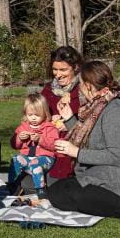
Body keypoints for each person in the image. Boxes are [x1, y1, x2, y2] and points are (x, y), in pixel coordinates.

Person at [43, 61, 120, 227]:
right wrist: (70, 119)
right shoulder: (96, 107)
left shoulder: (115, 111)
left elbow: (118, 156)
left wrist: (76, 152)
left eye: (80, 85)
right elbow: (93, 140)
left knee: (69, 193)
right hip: (107, 171)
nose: (78, 89)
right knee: (58, 191)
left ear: (88, 86)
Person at [39, 46, 85, 181]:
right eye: (55, 69)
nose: (58, 74)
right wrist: (48, 120)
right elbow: (36, 113)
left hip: (74, 146)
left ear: (75, 67)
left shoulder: (84, 89)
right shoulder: (48, 90)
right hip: (49, 144)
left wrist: (70, 123)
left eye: (63, 70)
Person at [7, 93, 61, 195]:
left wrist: (40, 139)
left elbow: (54, 145)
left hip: (45, 159)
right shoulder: (23, 127)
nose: (33, 118)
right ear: (25, 114)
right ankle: (13, 185)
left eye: (37, 115)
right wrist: (19, 138)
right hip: (27, 158)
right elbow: (14, 145)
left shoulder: (49, 128)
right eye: (30, 115)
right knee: (15, 160)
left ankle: (40, 190)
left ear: (45, 113)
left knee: (35, 164)